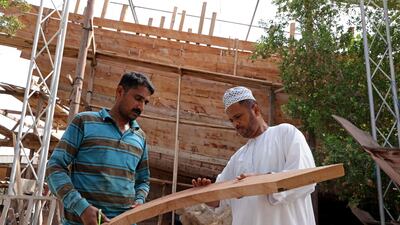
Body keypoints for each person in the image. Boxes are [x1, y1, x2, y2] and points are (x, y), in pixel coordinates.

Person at [192, 86, 316, 225]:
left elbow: (305, 180)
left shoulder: (286, 134)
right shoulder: (237, 159)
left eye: (238, 117)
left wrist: (261, 182)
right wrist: (204, 194)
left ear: (255, 109)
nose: (235, 124)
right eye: (231, 120)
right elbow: (220, 201)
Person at [46, 72, 155, 225]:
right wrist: (81, 208)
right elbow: (54, 167)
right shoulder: (84, 122)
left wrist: (139, 200)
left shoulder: (140, 137)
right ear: (120, 92)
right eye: (137, 98)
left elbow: (143, 180)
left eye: (145, 102)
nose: (141, 107)